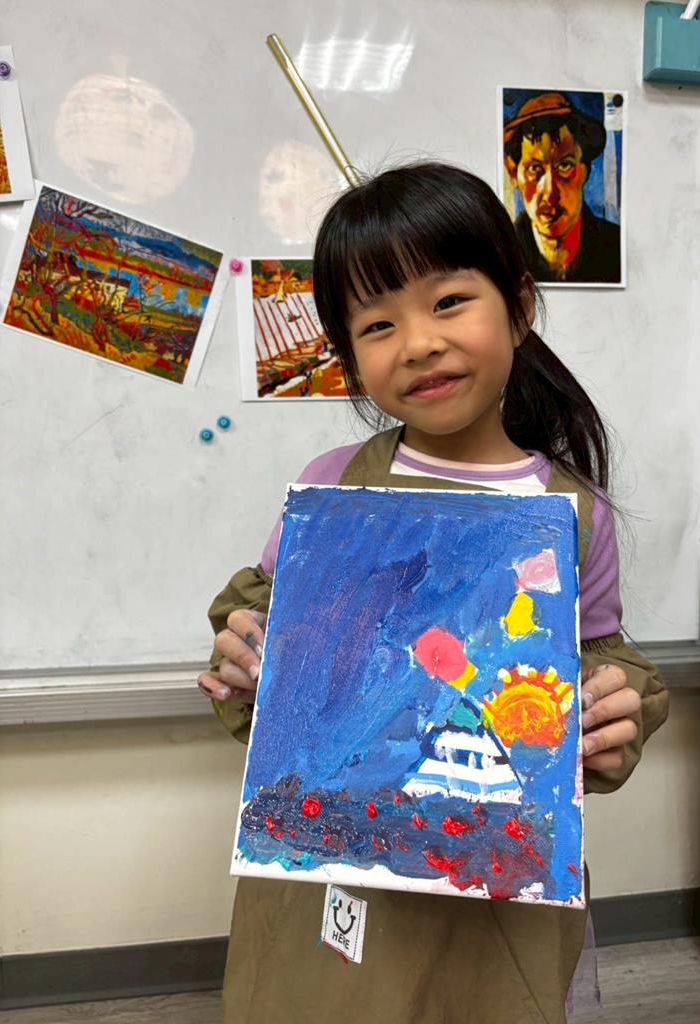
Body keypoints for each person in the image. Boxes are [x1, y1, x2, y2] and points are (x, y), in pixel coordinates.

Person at [198, 162, 668, 1024]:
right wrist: (245, 659)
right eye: (377, 324)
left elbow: (599, 659)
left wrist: (612, 707)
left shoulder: (570, 513)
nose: (417, 343)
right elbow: (272, 655)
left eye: (449, 301)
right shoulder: (331, 489)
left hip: (492, 898)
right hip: (334, 880)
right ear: (348, 358)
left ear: (518, 308)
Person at [503, 92, 621, 284]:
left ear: (585, 171)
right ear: (514, 173)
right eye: (534, 169)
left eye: (564, 166)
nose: (550, 192)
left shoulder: (617, 249)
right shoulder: (503, 256)